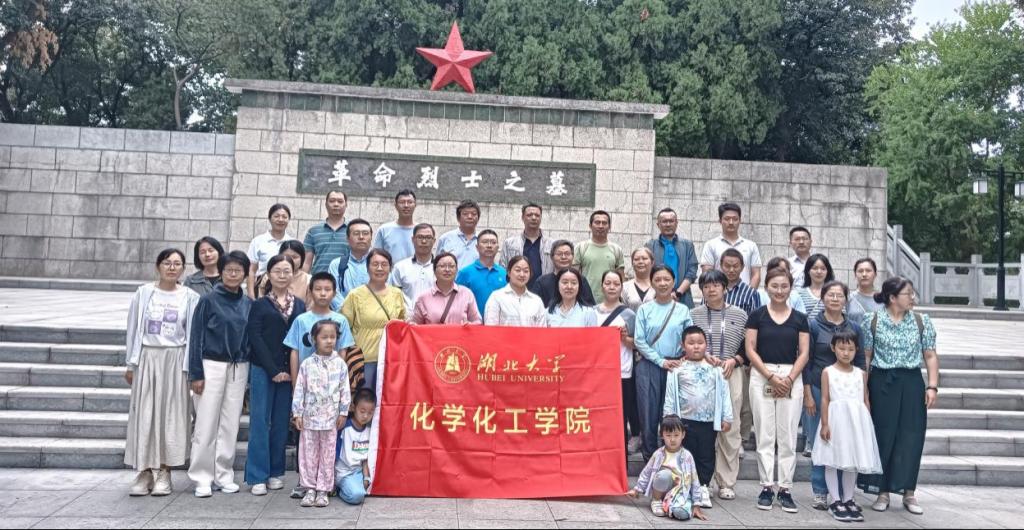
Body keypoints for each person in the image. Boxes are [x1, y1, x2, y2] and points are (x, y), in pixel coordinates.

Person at [858, 277, 939, 516]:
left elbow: (930, 355)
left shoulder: (922, 321)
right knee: (883, 436)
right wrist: (864, 390)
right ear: (892, 297)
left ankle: (909, 492)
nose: (912, 298)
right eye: (908, 293)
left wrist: (932, 386)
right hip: (881, 382)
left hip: (912, 382)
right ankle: (882, 491)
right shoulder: (872, 320)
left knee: (911, 436)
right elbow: (866, 357)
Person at [124, 249, 200, 497]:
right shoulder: (144, 293)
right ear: (158, 266)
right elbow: (133, 328)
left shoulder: (190, 297)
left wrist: (192, 369)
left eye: (177, 264)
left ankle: (165, 471)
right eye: (167, 263)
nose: (172, 268)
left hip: (175, 359)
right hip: (147, 357)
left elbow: (193, 335)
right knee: (145, 413)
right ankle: (145, 471)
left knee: (171, 415)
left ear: (183, 269)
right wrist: (130, 363)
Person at [283, 272, 356, 499]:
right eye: (318, 289)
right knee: (306, 447)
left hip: (330, 401)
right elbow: (294, 352)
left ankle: (324, 486)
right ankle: (306, 484)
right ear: (310, 291)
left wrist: (342, 407)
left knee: (327, 448)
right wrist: (295, 386)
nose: (323, 293)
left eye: (327, 289)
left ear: (334, 293)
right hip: (308, 396)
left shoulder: (340, 320)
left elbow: (343, 353)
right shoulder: (301, 320)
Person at [187, 250, 253, 498]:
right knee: (205, 422)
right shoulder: (208, 300)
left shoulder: (247, 303)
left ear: (245, 274)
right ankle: (202, 476)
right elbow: (196, 337)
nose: (233, 274)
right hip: (211, 365)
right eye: (228, 270)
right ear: (221, 272)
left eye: (238, 270)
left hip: (238, 367)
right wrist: (196, 373)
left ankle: (223, 474)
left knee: (230, 423)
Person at [745, 267, 810, 513]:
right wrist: (771, 376)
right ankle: (766, 487)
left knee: (788, 435)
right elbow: (750, 349)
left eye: (784, 286)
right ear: (767, 287)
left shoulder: (800, 318)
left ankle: (785, 488)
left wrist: (790, 378)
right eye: (775, 286)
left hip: (791, 375)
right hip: (763, 374)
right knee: (764, 433)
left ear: (790, 288)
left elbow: (804, 352)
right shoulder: (757, 315)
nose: (779, 291)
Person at [245, 255, 305, 496]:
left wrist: (290, 371)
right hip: (263, 369)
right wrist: (273, 370)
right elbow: (255, 337)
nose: (282, 275)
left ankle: (275, 472)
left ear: (293, 274)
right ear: (268, 274)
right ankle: (257, 475)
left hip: (289, 371)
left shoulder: (299, 305)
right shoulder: (259, 304)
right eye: (277, 271)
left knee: (281, 422)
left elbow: (300, 339)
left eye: (286, 271)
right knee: (260, 421)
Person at [803, 281, 864, 509]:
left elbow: (861, 362)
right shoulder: (813, 325)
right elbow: (806, 360)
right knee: (821, 441)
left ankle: (842, 494)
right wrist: (808, 394)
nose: (835, 299)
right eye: (831, 295)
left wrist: (863, 395)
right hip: (818, 388)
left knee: (846, 441)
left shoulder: (855, 327)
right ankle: (820, 491)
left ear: (846, 299)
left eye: (840, 295)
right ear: (823, 298)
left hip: (846, 393)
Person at [812, 329, 882, 523]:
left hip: (856, 421)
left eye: (850, 349)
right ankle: (835, 500)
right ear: (833, 348)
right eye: (842, 348)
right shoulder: (828, 372)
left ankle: (848, 498)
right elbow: (825, 399)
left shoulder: (861, 374)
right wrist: (825, 424)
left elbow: (865, 399)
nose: (846, 353)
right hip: (836, 420)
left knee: (852, 460)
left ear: (856, 350)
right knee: (832, 459)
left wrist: (867, 425)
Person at [690, 270, 748, 502]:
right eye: (706, 286)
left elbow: (748, 346)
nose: (711, 289)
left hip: (730, 372)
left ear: (725, 288)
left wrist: (735, 360)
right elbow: (688, 342)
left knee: (730, 427)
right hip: (702, 373)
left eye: (716, 285)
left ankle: (726, 482)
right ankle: (701, 479)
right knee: (702, 428)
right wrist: (704, 356)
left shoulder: (740, 315)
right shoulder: (693, 314)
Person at [663, 327, 733, 510]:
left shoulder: (716, 368)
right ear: (683, 346)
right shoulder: (677, 369)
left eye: (700, 343)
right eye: (691, 343)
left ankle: (703, 486)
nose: (696, 347)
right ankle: (685, 487)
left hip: (708, 421)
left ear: (706, 344)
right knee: (686, 454)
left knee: (706, 454)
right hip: (684, 421)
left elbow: (724, 393)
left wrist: (727, 417)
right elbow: (670, 395)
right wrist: (668, 417)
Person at [634, 266, 694, 461]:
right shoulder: (645, 309)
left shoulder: (682, 310)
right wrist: (660, 361)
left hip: (675, 366)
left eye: (666, 279)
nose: (662, 283)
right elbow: (639, 341)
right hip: (649, 366)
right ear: (652, 282)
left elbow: (690, 337)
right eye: (658, 279)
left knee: (672, 415)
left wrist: (684, 357)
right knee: (648, 414)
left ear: (673, 282)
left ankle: (672, 460)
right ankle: (651, 460)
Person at [291, 319, 351, 508]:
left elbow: (345, 390)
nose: (329, 341)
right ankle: (309, 488)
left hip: (330, 420)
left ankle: (323, 489)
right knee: (308, 455)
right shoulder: (307, 364)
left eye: (332, 337)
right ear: (314, 339)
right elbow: (299, 389)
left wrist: (343, 412)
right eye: (324, 337)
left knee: (327, 454)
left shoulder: (340, 364)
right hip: (309, 419)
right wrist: (297, 413)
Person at [340, 249, 407, 391]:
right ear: (367, 267)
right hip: (364, 359)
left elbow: (402, 325)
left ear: (390, 268)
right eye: (375, 264)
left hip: (391, 359)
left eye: (384, 264)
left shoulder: (397, 294)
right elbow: (344, 328)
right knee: (364, 399)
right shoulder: (355, 295)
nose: (380, 268)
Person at [627, 416, 708, 521]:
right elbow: (646, 472)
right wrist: (637, 489)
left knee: (681, 514)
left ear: (683, 435)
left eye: (676, 435)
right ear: (662, 435)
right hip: (661, 490)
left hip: (679, 492)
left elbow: (694, 479)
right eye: (668, 435)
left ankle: (671, 505)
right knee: (664, 475)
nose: (672, 439)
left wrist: (696, 504)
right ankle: (656, 501)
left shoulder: (687, 456)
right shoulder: (658, 454)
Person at [595, 270, 639, 456]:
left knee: (620, 418)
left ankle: (619, 462)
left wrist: (625, 339)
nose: (612, 287)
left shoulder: (629, 314)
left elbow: (637, 344)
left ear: (621, 287)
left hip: (622, 372)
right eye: (608, 283)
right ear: (602, 286)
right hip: (598, 373)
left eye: (616, 284)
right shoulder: (591, 312)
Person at [700, 202, 763, 288]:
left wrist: (748, 293)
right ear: (720, 221)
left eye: (735, 219)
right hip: (719, 295)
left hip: (744, 294)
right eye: (727, 219)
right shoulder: (711, 245)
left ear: (740, 221)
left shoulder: (751, 246)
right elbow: (707, 274)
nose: (731, 222)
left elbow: (756, 275)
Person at [645, 208, 698, 308]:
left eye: (671, 221)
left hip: (683, 298)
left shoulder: (687, 245)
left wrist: (678, 293)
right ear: (658, 224)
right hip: (656, 298)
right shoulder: (650, 246)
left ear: (676, 223)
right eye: (664, 221)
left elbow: (692, 272)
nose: (668, 224)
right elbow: (646, 272)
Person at [412, 253, 481, 325]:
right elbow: (415, 325)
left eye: (451, 266)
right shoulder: (423, 298)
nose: (447, 270)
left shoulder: (467, 294)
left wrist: (470, 325)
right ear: (434, 271)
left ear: (456, 270)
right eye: (442, 266)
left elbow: (477, 321)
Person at [335, 388, 377, 505]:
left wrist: (366, 477)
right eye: (362, 411)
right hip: (343, 473)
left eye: (370, 413)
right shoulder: (344, 428)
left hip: (359, 473)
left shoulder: (370, 430)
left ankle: (353, 487)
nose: (366, 416)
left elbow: (365, 459)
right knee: (357, 495)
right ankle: (339, 490)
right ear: (353, 408)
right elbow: (334, 453)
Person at [500, 203, 555, 290]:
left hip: (544, 291)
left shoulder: (552, 244)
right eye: (529, 215)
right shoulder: (509, 243)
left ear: (541, 218)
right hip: (516, 291)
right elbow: (503, 269)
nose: (534, 218)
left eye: (537, 215)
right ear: (522, 217)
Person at [573, 210, 625, 303]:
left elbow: (621, 277)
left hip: (610, 302)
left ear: (609, 227)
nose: (601, 226)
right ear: (590, 226)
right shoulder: (581, 247)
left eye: (604, 223)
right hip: (585, 301)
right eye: (597, 222)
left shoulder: (616, 249)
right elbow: (574, 276)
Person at [248, 203, 296, 299]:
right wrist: (251, 295)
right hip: (262, 289)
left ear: (288, 220)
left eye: (284, 217)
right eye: (276, 216)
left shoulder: (293, 243)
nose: (280, 219)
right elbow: (251, 270)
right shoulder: (258, 241)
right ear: (270, 219)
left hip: (288, 290)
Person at [456, 229, 507, 316]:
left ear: (498, 247)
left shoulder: (504, 273)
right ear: (477, 247)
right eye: (485, 242)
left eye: (493, 242)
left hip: (498, 323)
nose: (489, 246)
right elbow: (457, 301)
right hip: (473, 323)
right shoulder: (465, 273)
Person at [484, 256, 547, 326]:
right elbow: (490, 327)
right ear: (509, 272)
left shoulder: (537, 301)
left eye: (526, 271)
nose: (522, 274)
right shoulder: (497, 297)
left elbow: (541, 330)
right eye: (517, 270)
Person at [389, 223, 436, 314]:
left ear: (434, 241)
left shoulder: (441, 268)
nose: (424, 241)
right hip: (407, 319)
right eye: (420, 237)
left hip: (434, 319)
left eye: (428, 237)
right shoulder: (400, 267)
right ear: (413, 240)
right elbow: (394, 297)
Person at [532, 240, 596, 307]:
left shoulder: (581, 280)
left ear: (573, 256)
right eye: (559, 254)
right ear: (552, 257)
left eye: (567, 254)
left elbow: (590, 306)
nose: (563, 257)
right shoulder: (542, 282)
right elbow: (535, 307)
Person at [329, 218, 373, 310]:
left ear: (371, 237)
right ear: (347, 239)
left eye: (365, 233)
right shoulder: (336, 264)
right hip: (344, 315)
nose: (361, 237)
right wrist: (348, 312)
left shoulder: (379, 264)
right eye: (356, 233)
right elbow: (333, 291)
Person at [304, 190, 350, 274]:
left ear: (346, 205)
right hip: (319, 279)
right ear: (326, 204)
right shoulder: (314, 231)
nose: (336, 204)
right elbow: (306, 262)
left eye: (340, 201)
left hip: (345, 279)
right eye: (332, 201)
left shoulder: (353, 230)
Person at [373, 189, 417, 264]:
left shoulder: (421, 231)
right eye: (402, 202)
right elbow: (376, 256)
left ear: (415, 205)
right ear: (396, 205)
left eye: (410, 202)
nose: (406, 205)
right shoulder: (384, 230)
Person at [436, 199, 481, 270]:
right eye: (465, 214)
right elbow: (437, 265)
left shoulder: (483, 239)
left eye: (474, 214)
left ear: (478, 218)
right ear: (458, 218)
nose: (470, 217)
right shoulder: (446, 238)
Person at [720, 249, 761, 317]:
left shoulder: (751, 293)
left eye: (735, 266)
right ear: (721, 266)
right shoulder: (711, 290)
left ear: (742, 267)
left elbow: (755, 320)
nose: (731, 270)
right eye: (727, 266)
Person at [797, 254, 835, 321]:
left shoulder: (835, 293)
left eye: (823, 269)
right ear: (808, 271)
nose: (819, 272)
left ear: (827, 271)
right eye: (815, 268)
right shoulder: (799, 294)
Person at [846, 258, 882, 326]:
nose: (864, 274)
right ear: (855, 275)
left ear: (875, 274)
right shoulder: (848, 299)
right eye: (860, 271)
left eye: (868, 271)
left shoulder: (883, 299)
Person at [622, 247, 657, 311]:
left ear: (652, 262)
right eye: (636, 259)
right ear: (632, 263)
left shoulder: (658, 286)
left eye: (644, 258)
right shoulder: (624, 287)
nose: (640, 262)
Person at [279, 240, 312, 305]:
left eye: (294, 257)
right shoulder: (270, 276)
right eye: (287, 256)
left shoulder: (309, 280)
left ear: (302, 259)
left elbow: (310, 306)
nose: (290, 260)